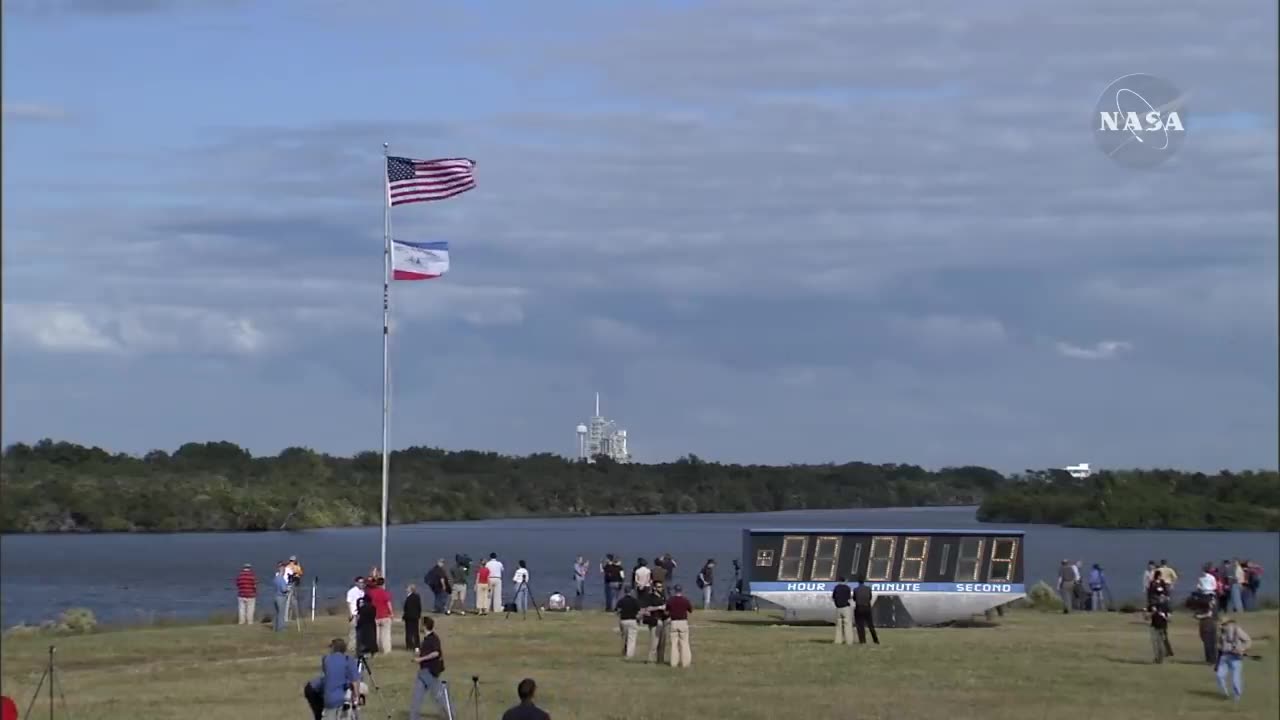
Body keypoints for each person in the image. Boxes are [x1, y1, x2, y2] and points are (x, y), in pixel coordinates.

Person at [307, 638, 359, 720]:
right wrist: (356, 696)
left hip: (328, 697)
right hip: (340, 697)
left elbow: (328, 673)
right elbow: (355, 681)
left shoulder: (326, 659)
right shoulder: (348, 660)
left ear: (334, 648)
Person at [408, 616, 449, 720]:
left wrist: (421, 659)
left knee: (439, 696)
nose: (419, 626)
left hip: (430, 672)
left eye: (421, 624)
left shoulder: (433, 638)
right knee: (417, 697)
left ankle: (451, 714)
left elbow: (436, 653)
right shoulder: (426, 639)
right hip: (423, 672)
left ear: (425, 626)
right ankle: (413, 717)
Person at [1216, 616, 1251, 702]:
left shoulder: (1237, 630)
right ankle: (1225, 694)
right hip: (1224, 656)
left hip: (1235, 657)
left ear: (1228, 624)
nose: (1220, 627)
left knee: (1236, 679)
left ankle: (1237, 696)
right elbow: (1219, 644)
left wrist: (1241, 649)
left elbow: (1248, 641)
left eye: (1223, 625)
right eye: (1220, 625)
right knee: (1219, 676)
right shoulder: (1221, 632)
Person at [640, 580, 668, 664]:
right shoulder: (650, 597)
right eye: (659, 587)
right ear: (654, 588)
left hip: (663, 620)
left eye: (661, 587)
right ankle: (650, 659)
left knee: (662, 642)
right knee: (654, 642)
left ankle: (660, 660)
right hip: (654, 620)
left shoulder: (663, 596)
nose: (661, 588)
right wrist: (659, 607)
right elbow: (646, 609)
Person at [665, 584, 694, 668]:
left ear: (674, 590)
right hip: (683, 622)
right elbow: (690, 610)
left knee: (674, 644)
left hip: (673, 622)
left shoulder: (670, 600)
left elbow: (666, 611)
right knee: (684, 643)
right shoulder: (685, 600)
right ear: (681, 590)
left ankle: (673, 662)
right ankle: (685, 663)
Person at [365, 577, 394, 654]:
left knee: (376, 635)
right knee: (386, 635)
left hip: (375, 616)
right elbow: (388, 603)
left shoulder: (371, 593)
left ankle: (376, 649)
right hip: (385, 616)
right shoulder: (385, 592)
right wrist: (391, 613)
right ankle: (387, 650)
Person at [615, 585, 642, 659]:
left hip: (623, 621)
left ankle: (624, 651)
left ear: (624, 592)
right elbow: (639, 612)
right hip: (632, 620)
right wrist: (639, 620)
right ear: (631, 592)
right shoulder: (635, 601)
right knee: (632, 638)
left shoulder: (621, 601)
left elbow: (617, 611)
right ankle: (629, 654)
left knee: (624, 637)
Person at [853, 576, 879, 645]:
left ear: (858, 582)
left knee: (860, 625)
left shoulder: (856, 589)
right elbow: (870, 597)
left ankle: (862, 640)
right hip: (867, 608)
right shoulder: (868, 589)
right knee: (870, 625)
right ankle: (875, 640)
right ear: (864, 581)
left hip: (859, 608)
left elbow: (854, 598)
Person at [1148, 596, 1172, 663]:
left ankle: (1160, 659)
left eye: (1161, 598)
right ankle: (1157, 658)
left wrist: (1163, 616)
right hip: (1154, 626)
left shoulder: (1167, 607)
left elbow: (1169, 619)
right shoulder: (1153, 606)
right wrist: (1153, 612)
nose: (1160, 599)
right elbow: (1147, 617)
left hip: (1162, 627)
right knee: (1155, 644)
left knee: (1160, 643)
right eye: (1159, 598)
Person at [1193, 599, 1218, 665]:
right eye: (1212, 601)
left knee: (1213, 644)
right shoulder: (1203, 608)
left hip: (1213, 628)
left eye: (1214, 601)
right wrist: (1206, 615)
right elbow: (1196, 616)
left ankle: (1214, 659)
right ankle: (1209, 659)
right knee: (1207, 644)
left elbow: (1216, 618)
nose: (1213, 602)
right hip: (1205, 628)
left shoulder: (1214, 609)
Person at [346, 576, 366, 651]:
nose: (362, 584)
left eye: (363, 582)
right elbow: (348, 602)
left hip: (362, 614)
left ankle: (360, 646)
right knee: (353, 632)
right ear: (356, 583)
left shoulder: (363, 592)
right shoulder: (352, 591)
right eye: (360, 582)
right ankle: (351, 647)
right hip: (354, 614)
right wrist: (350, 613)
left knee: (361, 632)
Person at [831, 576, 853, 645]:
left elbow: (833, 597)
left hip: (838, 608)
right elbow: (849, 598)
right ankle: (849, 641)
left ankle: (838, 641)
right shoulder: (847, 588)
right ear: (845, 581)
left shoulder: (836, 588)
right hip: (846, 607)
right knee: (847, 625)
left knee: (839, 626)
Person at [403, 584, 423, 650]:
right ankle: (417, 645)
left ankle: (409, 645)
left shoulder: (409, 598)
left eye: (407, 588)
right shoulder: (417, 597)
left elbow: (406, 608)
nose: (406, 589)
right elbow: (419, 607)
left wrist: (404, 616)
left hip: (409, 617)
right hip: (415, 617)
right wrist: (419, 615)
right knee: (415, 631)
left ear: (411, 589)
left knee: (409, 631)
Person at [273, 562, 291, 632]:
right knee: (281, 613)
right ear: (282, 570)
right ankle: (281, 628)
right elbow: (283, 589)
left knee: (277, 613)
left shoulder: (275, 579)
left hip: (275, 596)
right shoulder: (282, 579)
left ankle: (276, 627)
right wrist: (288, 589)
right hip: (281, 597)